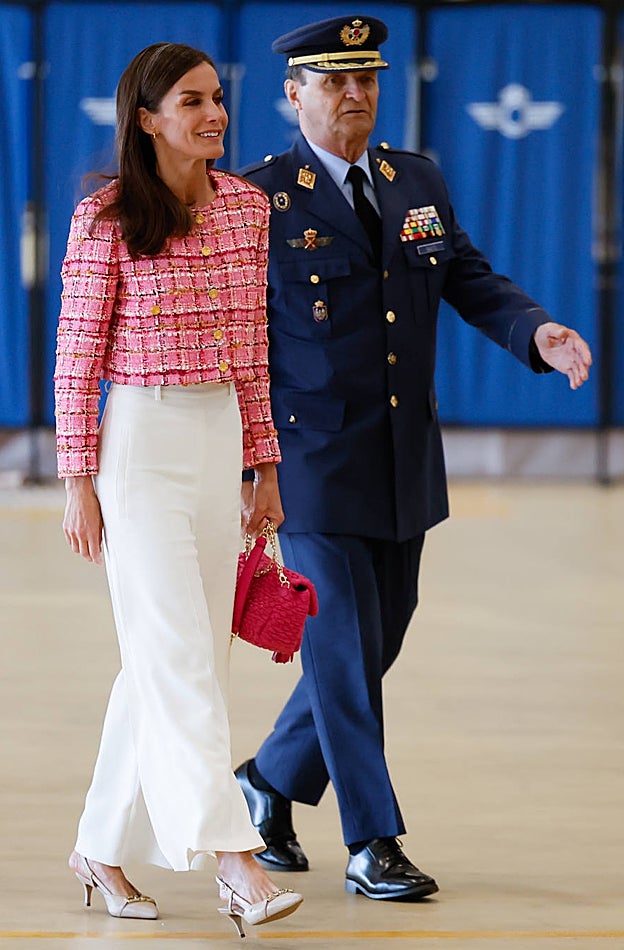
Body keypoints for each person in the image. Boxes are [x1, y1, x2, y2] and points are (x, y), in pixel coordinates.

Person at [234, 14, 593, 902]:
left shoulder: (414, 179)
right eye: (332, 81)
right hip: (310, 460)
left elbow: (465, 273)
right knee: (343, 652)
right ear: (293, 94)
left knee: (379, 635)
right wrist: (249, 461)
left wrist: (533, 329)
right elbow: (237, 339)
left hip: (401, 455)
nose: (354, 95)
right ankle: (373, 841)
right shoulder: (255, 200)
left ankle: (267, 782)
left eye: (367, 80)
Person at [54, 42, 303, 937]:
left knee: (172, 658)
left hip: (219, 436)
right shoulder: (105, 216)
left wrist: (264, 466)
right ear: (148, 117)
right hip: (139, 444)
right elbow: (77, 360)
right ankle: (236, 863)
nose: (214, 115)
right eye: (191, 102)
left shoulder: (245, 208)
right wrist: (77, 480)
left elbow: (254, 346)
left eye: (218, 100)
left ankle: (98, 846)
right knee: (178, 658)